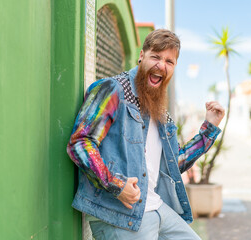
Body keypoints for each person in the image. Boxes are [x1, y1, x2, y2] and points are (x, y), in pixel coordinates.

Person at [67, 29, 225, 239]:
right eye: (156, 57)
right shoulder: (113, 90)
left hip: (155, 206)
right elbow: (80, 142)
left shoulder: (159, 110)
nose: (162, 65)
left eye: (169, 61)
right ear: (142, 56)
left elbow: (174, 163)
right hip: (119, 214)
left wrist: (209, 129)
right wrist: (116, 185)